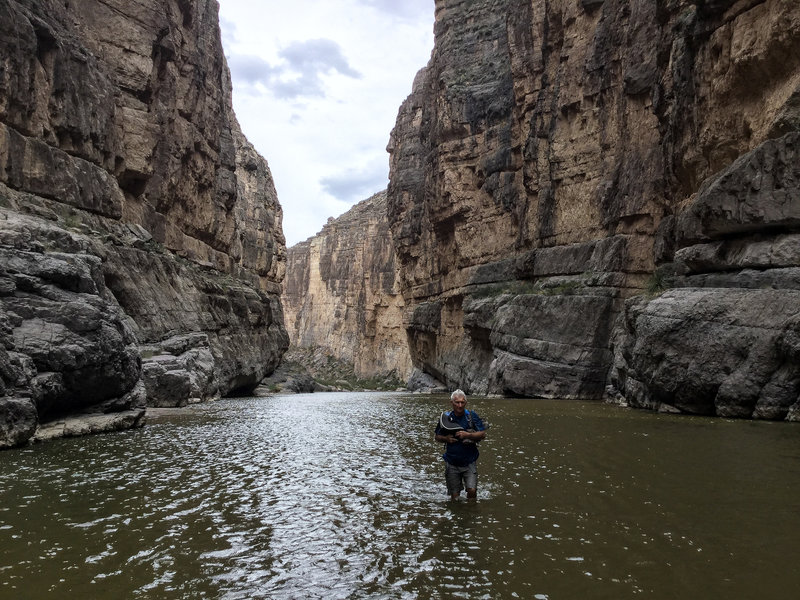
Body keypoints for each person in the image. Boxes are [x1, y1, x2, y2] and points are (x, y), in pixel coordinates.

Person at [434, 389, 487, 500]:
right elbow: (437, 437)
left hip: (469, 461)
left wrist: (468, 435)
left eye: (462, 402)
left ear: (466, 403)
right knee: (455, 497)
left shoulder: (471, 416)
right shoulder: (445, 418)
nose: (460, 405)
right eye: (457, 402)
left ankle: (471, 513)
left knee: (472, 491)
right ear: (451, 403)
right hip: (452, 461)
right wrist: (446, 439)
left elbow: (482, 434)